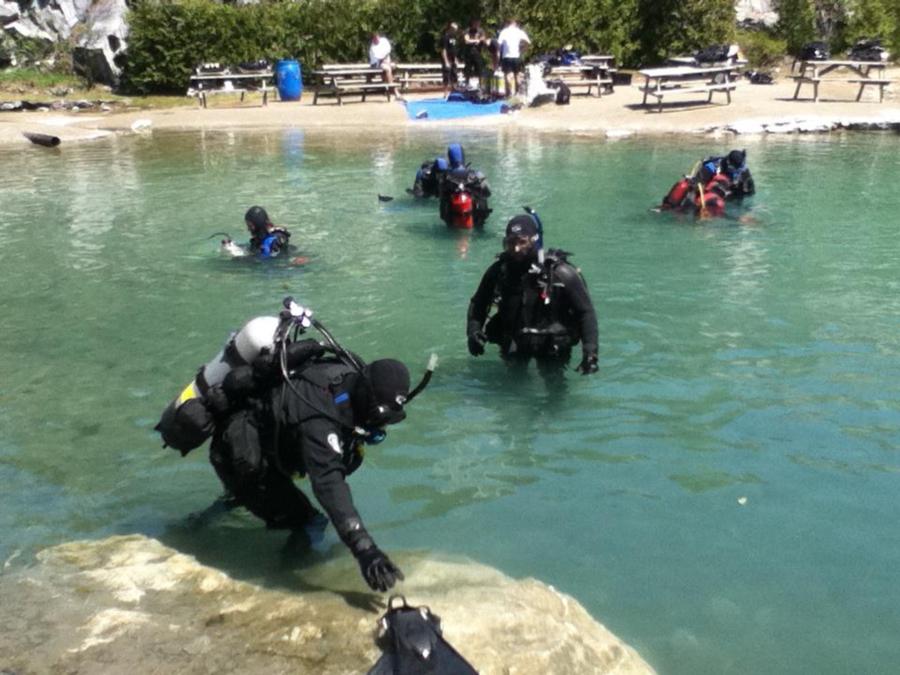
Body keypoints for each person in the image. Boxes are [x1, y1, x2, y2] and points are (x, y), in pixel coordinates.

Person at [156, 300, 436, 592]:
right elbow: (328, 482)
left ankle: (204, 520)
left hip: (258, 440)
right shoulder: (319, 414)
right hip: (238, 456)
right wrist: (364, 548)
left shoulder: (348, 371)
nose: (382, 425)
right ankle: (276, 583)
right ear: (366, 397)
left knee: (290, 484)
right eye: (380, 417)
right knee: (310, 524)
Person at [467, 212, 599, 373]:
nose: (516, 248)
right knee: (513, 387)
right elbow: (478, 303)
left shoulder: (560, 272)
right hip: (514, 340)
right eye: (511, 242)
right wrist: (473, 331)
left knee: (555, 388)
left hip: (551, 343)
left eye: (522, 242)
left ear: (534, 241)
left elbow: (586, 311)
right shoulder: (500, 271)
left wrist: (590, 353)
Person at [496, 18, 531, 97]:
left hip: (507, 56)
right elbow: (528, 42)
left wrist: (498, 56)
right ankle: (517, 92)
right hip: (517, 56)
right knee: (517, 74)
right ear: (515, 24)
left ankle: (509, 94)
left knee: (508, 75)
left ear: (508, 24)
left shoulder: (504, 32)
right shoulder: (519, 32)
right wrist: (522, 50)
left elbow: (499, 45)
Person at [462, 19, 487, 87]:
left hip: (478, 53)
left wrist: (479, 40)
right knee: (468, 69)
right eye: (476, 23)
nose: (477, 25)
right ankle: (467, 83)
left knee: (479, 69)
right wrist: (476, 40)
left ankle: (481, 84)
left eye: (478, 23)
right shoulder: (467, 30)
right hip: (468, 53)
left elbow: (483, 39)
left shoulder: (481, 31)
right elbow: (466, 41)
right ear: (472, 23)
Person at [439, 21, 460, 95]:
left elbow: (454, 49)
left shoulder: (454, 38)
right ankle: (445, 92)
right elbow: (443, 50)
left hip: (453, 58)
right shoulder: (445, 37)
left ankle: (454, 90)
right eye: (454, 29)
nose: (455, 30)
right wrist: (446, 61)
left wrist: (456, 59)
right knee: (446, 75)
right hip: (447, 58)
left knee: (454, 74)